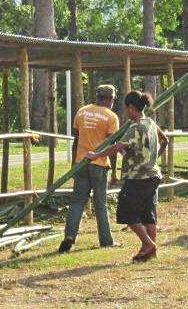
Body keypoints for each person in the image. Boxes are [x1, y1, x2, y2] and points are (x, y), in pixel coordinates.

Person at [87, 90, 168, 263]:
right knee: (147, 213)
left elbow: (117, 147)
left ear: (131, 107)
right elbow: (165, 140)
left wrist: (96, 155)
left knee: (126, 212)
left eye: (126, 109)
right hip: (153, 175)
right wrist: (152, 159)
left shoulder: (135, 128)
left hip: (138, 177)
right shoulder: (150, 122)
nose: (125, 112)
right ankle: (150, 252)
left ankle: (149, 244)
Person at [59, 84, 121, 253]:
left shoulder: (82, 112)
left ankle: (69, 235)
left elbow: (76, 140)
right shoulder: (111, 117)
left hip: (81, 163)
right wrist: (114, 171)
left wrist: (74, 164)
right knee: (100, 204)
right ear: (110, 99)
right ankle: (106, 241)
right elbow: (112, 146)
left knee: (77, 201)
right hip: (99, 164)